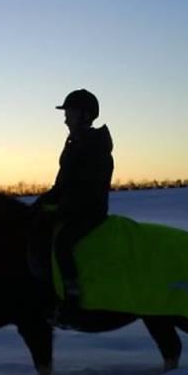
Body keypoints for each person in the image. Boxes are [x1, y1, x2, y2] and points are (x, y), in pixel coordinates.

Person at [33, 89, 114, 313]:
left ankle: (72, 298)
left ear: (85, 116)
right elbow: (60, 187)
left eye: (70, 112)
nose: (65, 117)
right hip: (69, 209)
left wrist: (59, 212)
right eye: (66, 111)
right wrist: (38, 205)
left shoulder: (95, 147)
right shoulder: (73, 144)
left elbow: (89, 192)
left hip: (89, 212)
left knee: (62, 244)